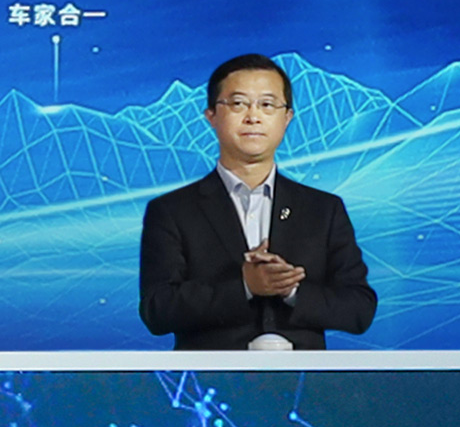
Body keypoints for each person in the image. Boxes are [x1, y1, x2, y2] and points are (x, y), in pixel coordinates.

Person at [137, 53, 377, 351]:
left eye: (267, 104)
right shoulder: (172, 211)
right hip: (212, 375)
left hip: (304, 376)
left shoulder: (323, 210)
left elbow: (359, 309)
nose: (253, 117)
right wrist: (245, 287)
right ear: (211, 115)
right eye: (238, 104)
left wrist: (291, 290)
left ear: (287, 118)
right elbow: (157, 310)